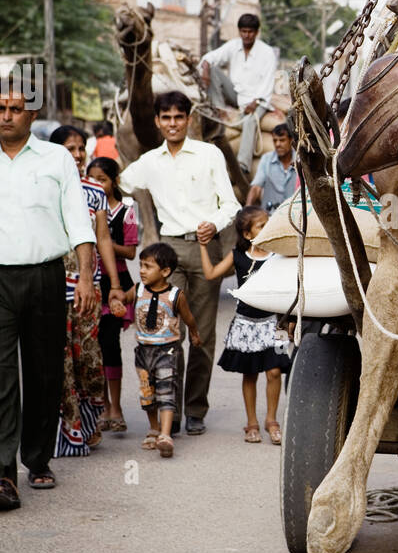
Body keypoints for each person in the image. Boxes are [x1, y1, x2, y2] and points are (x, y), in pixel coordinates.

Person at [118, 91, 240, 434]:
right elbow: (118, 182)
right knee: (168, 334)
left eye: (178, 117)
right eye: (166, 118)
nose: (172, 123)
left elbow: (230, 204)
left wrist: (213, 223)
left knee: (200, 335)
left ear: (188, 120)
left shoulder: (209, 154)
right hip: (168, 250)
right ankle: (168, 406)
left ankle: (196, 410)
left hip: (205, 249)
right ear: (157, 122)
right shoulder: (149, 161)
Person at [0, 87, 97, 509]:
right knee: (2, 377)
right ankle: (4, 472)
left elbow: (77, 218)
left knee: (43, 373)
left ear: (31, 114)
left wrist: (89, 279)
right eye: (1, 108)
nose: (6, 116)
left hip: (45, 277)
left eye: (15, 109)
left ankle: (38, 458)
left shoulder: (56, 158)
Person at [50, 126, 126, 458]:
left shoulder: (94, 190)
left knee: (89, 360)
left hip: (88, 289)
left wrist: (115, 286)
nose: (78, 155)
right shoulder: (45, 187)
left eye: (81, 148)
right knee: (57, 362)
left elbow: (103, 239)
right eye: (70, 148)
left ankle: (91, 422)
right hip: (50, 287)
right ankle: (63, 430)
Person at [199, 206, 291, 444]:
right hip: (246, 324)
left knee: (274, 371)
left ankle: (272, 421)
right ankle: (251, 423)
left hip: (276, 323)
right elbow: (211, 274)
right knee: (249, 374)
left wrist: (290, 320)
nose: (267, 227)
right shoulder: (239, 255)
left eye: (268, 223)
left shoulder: (279, 254)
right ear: (248, 234)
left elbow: (290, 286)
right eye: (261, 226)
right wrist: (202, 246)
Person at [117, 243, 200, 459]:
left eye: (147, 266)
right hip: (143, 352)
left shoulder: (175, 295)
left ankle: (165, 435)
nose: (142, 270)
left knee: (166, 391)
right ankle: (153, 428)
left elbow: (188, 317)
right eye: (141, 265)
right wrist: (117, 304)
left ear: (165, 272)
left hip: (167, 351)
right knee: (147, 394)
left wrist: (194, 332)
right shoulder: (137, 290)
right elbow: (121, 300)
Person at [86, 157, 139, 431]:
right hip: (90, 282)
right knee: (92, 347)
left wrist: (99, 239)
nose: (97, 184)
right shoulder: (83, 207)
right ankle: (101, 405)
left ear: (114, 181)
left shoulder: (126, 211)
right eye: (92, 179)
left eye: (103, 179)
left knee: (110, 344)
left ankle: (115, 406)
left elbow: (130, 251)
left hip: (115, 283)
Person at [199, 13, 277, 174]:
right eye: (243, 31)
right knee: (212, 68)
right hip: (236, 95)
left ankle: (243, 164)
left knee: (249, 122)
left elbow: (268, 84)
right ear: (239, 31)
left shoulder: (267, 52)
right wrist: (205, 67)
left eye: (250, 32)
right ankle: (219, 111)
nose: (246, 35)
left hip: (258, 100)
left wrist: (255, 103)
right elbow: (211, 57)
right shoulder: (233, 46)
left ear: (256, 32)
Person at [246, 122, 298, 212]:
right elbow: (256, 187)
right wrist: (247, 208)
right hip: (270, 215)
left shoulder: (299, 160)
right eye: (275, 140)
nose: (277, 144)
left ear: (291, 141)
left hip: (294, 215)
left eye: (282, 140)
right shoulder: (267, 159)